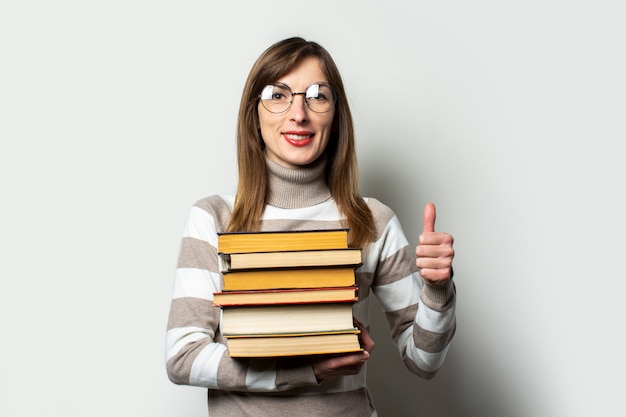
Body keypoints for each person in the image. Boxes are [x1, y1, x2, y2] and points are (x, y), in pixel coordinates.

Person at [165, 36, 456, 417]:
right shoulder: (214, 218)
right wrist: (304, 371)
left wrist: (438, 291)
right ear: (254, 113)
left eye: (317, 95)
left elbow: (423, 361)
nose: (298, 113)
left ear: (336, 117)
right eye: (278, 94)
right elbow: (183, 357)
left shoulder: (371, 222)